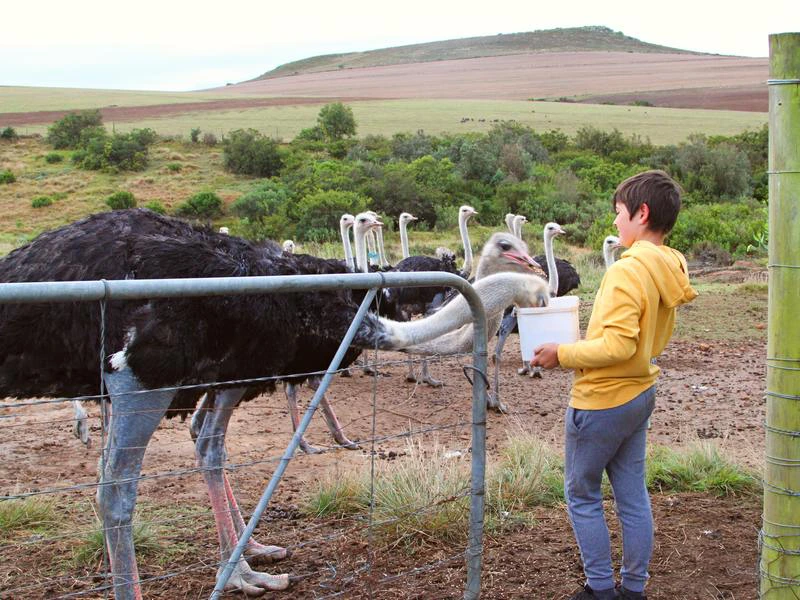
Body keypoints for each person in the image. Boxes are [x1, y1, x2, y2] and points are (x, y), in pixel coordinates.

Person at [531, 169, 698, 600]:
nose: (615, 222)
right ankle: (633, 589)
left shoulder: (627, 271)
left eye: (619, 213)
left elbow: (618, 345)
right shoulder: (669, 266)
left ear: (641, 213)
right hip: (641, 391)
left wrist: (562, 354)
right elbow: (639, 343)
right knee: (631, 494)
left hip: (603, 398)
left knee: (582, 493)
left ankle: (600, 590)